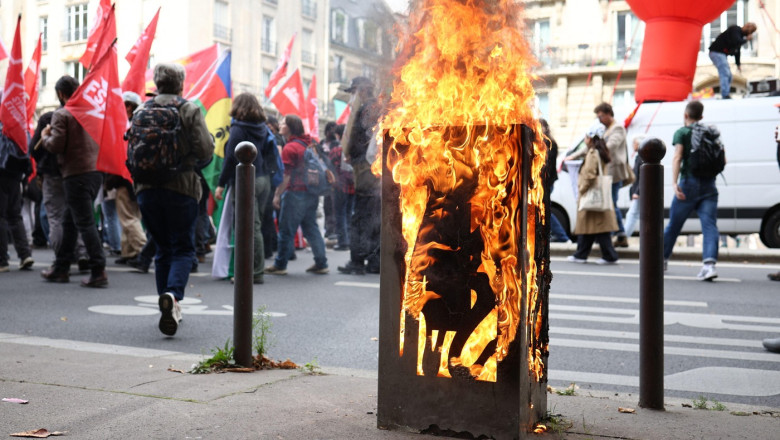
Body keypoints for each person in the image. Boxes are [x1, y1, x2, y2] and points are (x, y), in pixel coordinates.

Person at [133, 63, 214, 336]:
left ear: (156, 83)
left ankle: (165, 304)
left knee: (162, 250)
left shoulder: (141, 110)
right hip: (181, 187)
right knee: (182, 248)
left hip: (146, 188)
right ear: (180, 83)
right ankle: (173, 296)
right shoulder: (188, 109)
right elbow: (204, 148)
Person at [41, 76, 107, 287]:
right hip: (95, 171)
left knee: (85, 223)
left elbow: (56, 146)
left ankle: (98, 270)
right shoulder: (91, 113)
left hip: (76, 173)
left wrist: (45, 137)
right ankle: (61, 267)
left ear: (61, 94)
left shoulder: (62, 114)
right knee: (70, 222)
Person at [215, 92, 275, 284]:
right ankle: (255, 269)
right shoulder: (263, 128)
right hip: (263, 178)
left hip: (245, 179)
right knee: (255, 226)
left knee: (246, 227)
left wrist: (221, 183)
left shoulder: (238, 129)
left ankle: (253, 273)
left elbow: (231, 157)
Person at [31, 77, 89, 275]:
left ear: (61, 94)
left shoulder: (49, 118)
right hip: (77, 173)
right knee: (76, 216)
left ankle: (61, 258)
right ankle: (82, 254)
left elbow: (35, 149)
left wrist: (45, 139)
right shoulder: (86, 116)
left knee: (55, 216)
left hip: (54, 174)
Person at [663, 100, 723, 281]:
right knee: (709, 225)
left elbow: (677, 157)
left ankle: (662, 260)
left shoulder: (682, 132)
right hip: (709, 185)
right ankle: (709, 265)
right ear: (701, 116)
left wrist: (674, 183)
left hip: (688, 184)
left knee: (674, 224)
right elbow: (723, 160)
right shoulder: (712, 133)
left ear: (686, 115)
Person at [265, 114, 329, 275]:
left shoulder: (290, 148)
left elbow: (286, 176)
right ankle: (321, 263)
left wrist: (277, 195)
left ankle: (280, 265)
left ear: (290, 127)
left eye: (283, 123)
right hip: (311, 192)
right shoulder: (307, 143)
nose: (280, 124)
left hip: (295, 193)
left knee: (286, 229)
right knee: (311, 228)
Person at [338, 76, 381, 275]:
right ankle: (374, 260)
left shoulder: (367, 109)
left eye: (353, 92)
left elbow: (360, 139)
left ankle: (358, 261)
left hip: (366, 169)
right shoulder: (377, 107)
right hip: (374, 169)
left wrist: (351, 153)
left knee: (362, 215)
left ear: (361, 91)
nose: (351, 97)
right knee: (373, 214)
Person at [566, 123, 619, 265]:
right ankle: (584, 254)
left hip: (591, 194)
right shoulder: (599, 151)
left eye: (586, 136)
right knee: (594, 227)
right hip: (597, 195)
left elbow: (589, 174)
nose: (584, 139)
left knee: (592, 226)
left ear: (590, 138)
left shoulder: (593, 153)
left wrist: (582, 190)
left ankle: (596, 255)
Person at [110, 91, 147, 265]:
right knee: (130, 215)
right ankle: (129, 251)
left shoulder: (128, 127)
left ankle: (142, 249)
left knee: (128, 217)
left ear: (129, 107)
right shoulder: (138, 124)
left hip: (126, 178)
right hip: (135, 177)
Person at [594, 103, 631, 248]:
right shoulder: (607, 129)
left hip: (614, 172)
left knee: (611, 203)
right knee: (610, 202)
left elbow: (610, 146)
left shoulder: (617, 128)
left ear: (609, 114)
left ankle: (619, 234)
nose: (600, 119)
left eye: (601, 116)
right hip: (608, 172)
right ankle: (618, 234)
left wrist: (595, 150)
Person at [0, 131, 34, 272]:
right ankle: (25, 254)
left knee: (1, 216)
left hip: (1, 172)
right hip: (15, 173)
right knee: (15, 215)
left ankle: (2, 261)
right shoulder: (18, 126)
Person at [708, 22, 757, 99]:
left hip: (721, 54)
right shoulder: (735, 30)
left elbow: (737, 52)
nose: (749, 34)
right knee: (725, 73)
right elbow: (736, 41)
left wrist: (738, 64)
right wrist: (746, 40)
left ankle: (725, 93)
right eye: (750, 31)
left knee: (729, 76)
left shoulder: (740, 36)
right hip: (717, 52)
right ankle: (725, 95)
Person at [540, 119, 570, 243]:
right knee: (543, 209)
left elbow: (547, 165)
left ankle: (562, 236)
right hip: (545, 182)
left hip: (546, 182)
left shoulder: (549, 143)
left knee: (545, 209)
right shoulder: (545, 142)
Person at [329, 123, 353, 251]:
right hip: (353, 186)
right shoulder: (352, 148)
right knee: (349, 214)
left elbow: (331, 167)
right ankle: (349, 240)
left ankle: (343, 242)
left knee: (340, 215)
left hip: (340, 186)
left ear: (338, 135)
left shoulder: (336, 150)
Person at [622, 134, 648, 239]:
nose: (632, 145)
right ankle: (625, 236)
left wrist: (637, 192)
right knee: (635, 214)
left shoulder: (641, 158)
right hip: (639, 191)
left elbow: (642, 177)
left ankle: (624, 236)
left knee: (632, 214)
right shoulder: (639, 157)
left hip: (639, 192)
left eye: (634, 143)